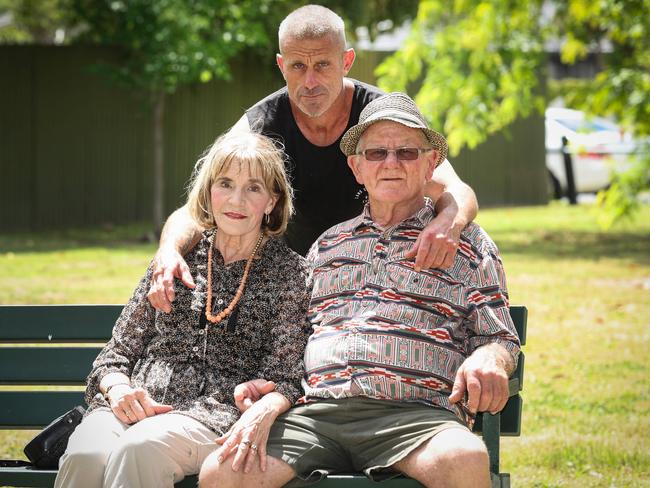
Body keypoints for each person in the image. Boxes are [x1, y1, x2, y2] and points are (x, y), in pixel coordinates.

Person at [198, 93, 520, 488]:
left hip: (415, 416)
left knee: (464, 457)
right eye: (376, 153)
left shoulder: (463, 242)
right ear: (356, 167)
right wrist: (269, 385)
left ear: (430, 164)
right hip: (316, 414)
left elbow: (500, 337)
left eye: (406, 152)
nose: (390, 163)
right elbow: (295, 335)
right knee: (223, 472)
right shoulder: (328, 245)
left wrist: (489, 360)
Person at [148, 4, 480, 314]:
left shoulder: (382, 119)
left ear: (346, 61)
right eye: (298, 66)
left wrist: (448, 220)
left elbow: (455, 189)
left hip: (376, 274)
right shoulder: (258, 127)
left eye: (322, 65)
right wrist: (168, 251)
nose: (310, 81)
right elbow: (199, 208)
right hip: (287, 284)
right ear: (281, 65)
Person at [54, 132, 312, 488]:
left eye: (253, 188)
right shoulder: (175, 260)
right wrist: (118, 390)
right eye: (225, 183)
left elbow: (284, 374)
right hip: (133, 404)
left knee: (140, 449)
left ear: (271, 201)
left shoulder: (290, 274)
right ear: (208, 192)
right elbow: (115, 355)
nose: (236, 199)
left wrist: (259, 395)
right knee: (86, 454)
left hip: (212, 416)